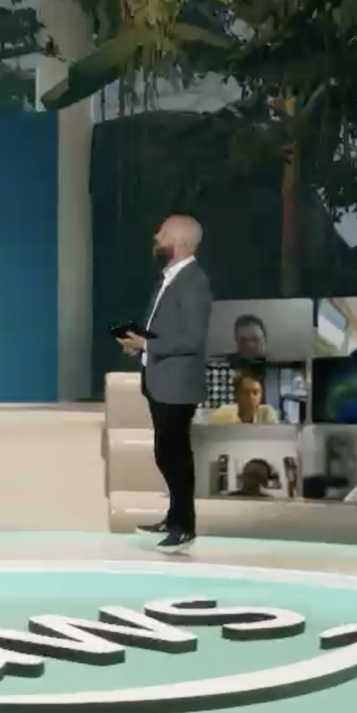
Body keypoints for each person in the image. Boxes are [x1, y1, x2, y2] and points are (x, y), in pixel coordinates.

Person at [120, 215, 212, 553]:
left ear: (181, 241)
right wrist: (139, 343)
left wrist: (148, 345)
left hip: (177, 384)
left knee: (175, 454)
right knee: (166, 453)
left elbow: (192, 338)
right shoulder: (169, 280)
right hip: (161, 379)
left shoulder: (194, 282)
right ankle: (174, 518)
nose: (156, 237)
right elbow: (165, 330)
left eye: (163, 233)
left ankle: (184, 526)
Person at [206, 371, 279, 426]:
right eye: (245, 393)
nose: (251, 397)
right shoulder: (223, 414)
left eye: (255, 392)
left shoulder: (267, 413)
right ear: (236, 395)